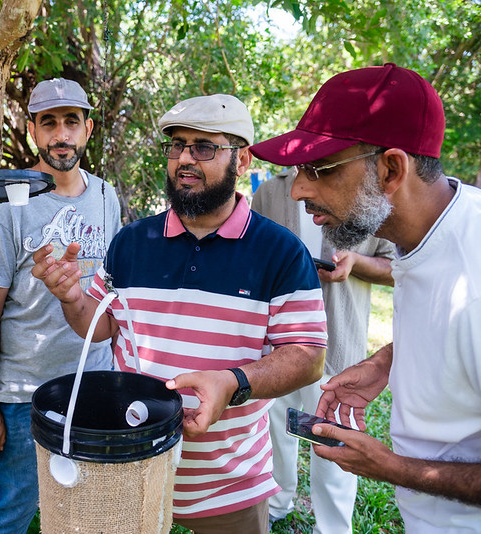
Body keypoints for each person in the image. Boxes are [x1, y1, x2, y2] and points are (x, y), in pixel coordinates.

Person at [32, 94, 327, 533]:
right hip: (131, 473)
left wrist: (234, 382)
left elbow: (307, 356)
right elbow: (100, 325)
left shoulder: (280, 251)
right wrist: (72, 297)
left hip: (229, 485)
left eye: (203, 147)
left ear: (243, 159)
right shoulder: (132, 242)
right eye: (176, 146)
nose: (185, 159)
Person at [250, 63, 481, 532]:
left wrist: (390, 467)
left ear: (391, 169)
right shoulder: (445, 220)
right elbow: (444, 319)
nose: (300, 190)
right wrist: (389, 360)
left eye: (320, 170)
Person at [0, 77, 121, 534]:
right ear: (32, 130)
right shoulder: (6, 206)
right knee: (10, 514)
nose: (61, 135)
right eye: (48, 123)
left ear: (88, 128)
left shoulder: (106, 196)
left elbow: (112, 293)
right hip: (25, 396)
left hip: (94, 383)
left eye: (71, 121)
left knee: (87, 511)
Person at [251, 168, 394, 532]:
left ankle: (332, 527)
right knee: (274, 428)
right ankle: (277, 501)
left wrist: (356, 263)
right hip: (276, 341)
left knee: (332, 435)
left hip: (337, 341)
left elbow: (397, 266)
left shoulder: (366, 190)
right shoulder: (269, 191)